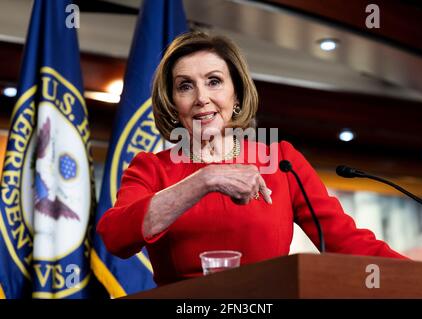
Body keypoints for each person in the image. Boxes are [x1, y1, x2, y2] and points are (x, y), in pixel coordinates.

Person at [97, 31, 405, 287]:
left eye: (214, 81)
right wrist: (206, 180)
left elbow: (347, 242)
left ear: (237, 94)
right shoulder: (151, 168)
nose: (201, 97)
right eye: (185, 86)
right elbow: (115, 237)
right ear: (172, 103)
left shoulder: (282, 160)